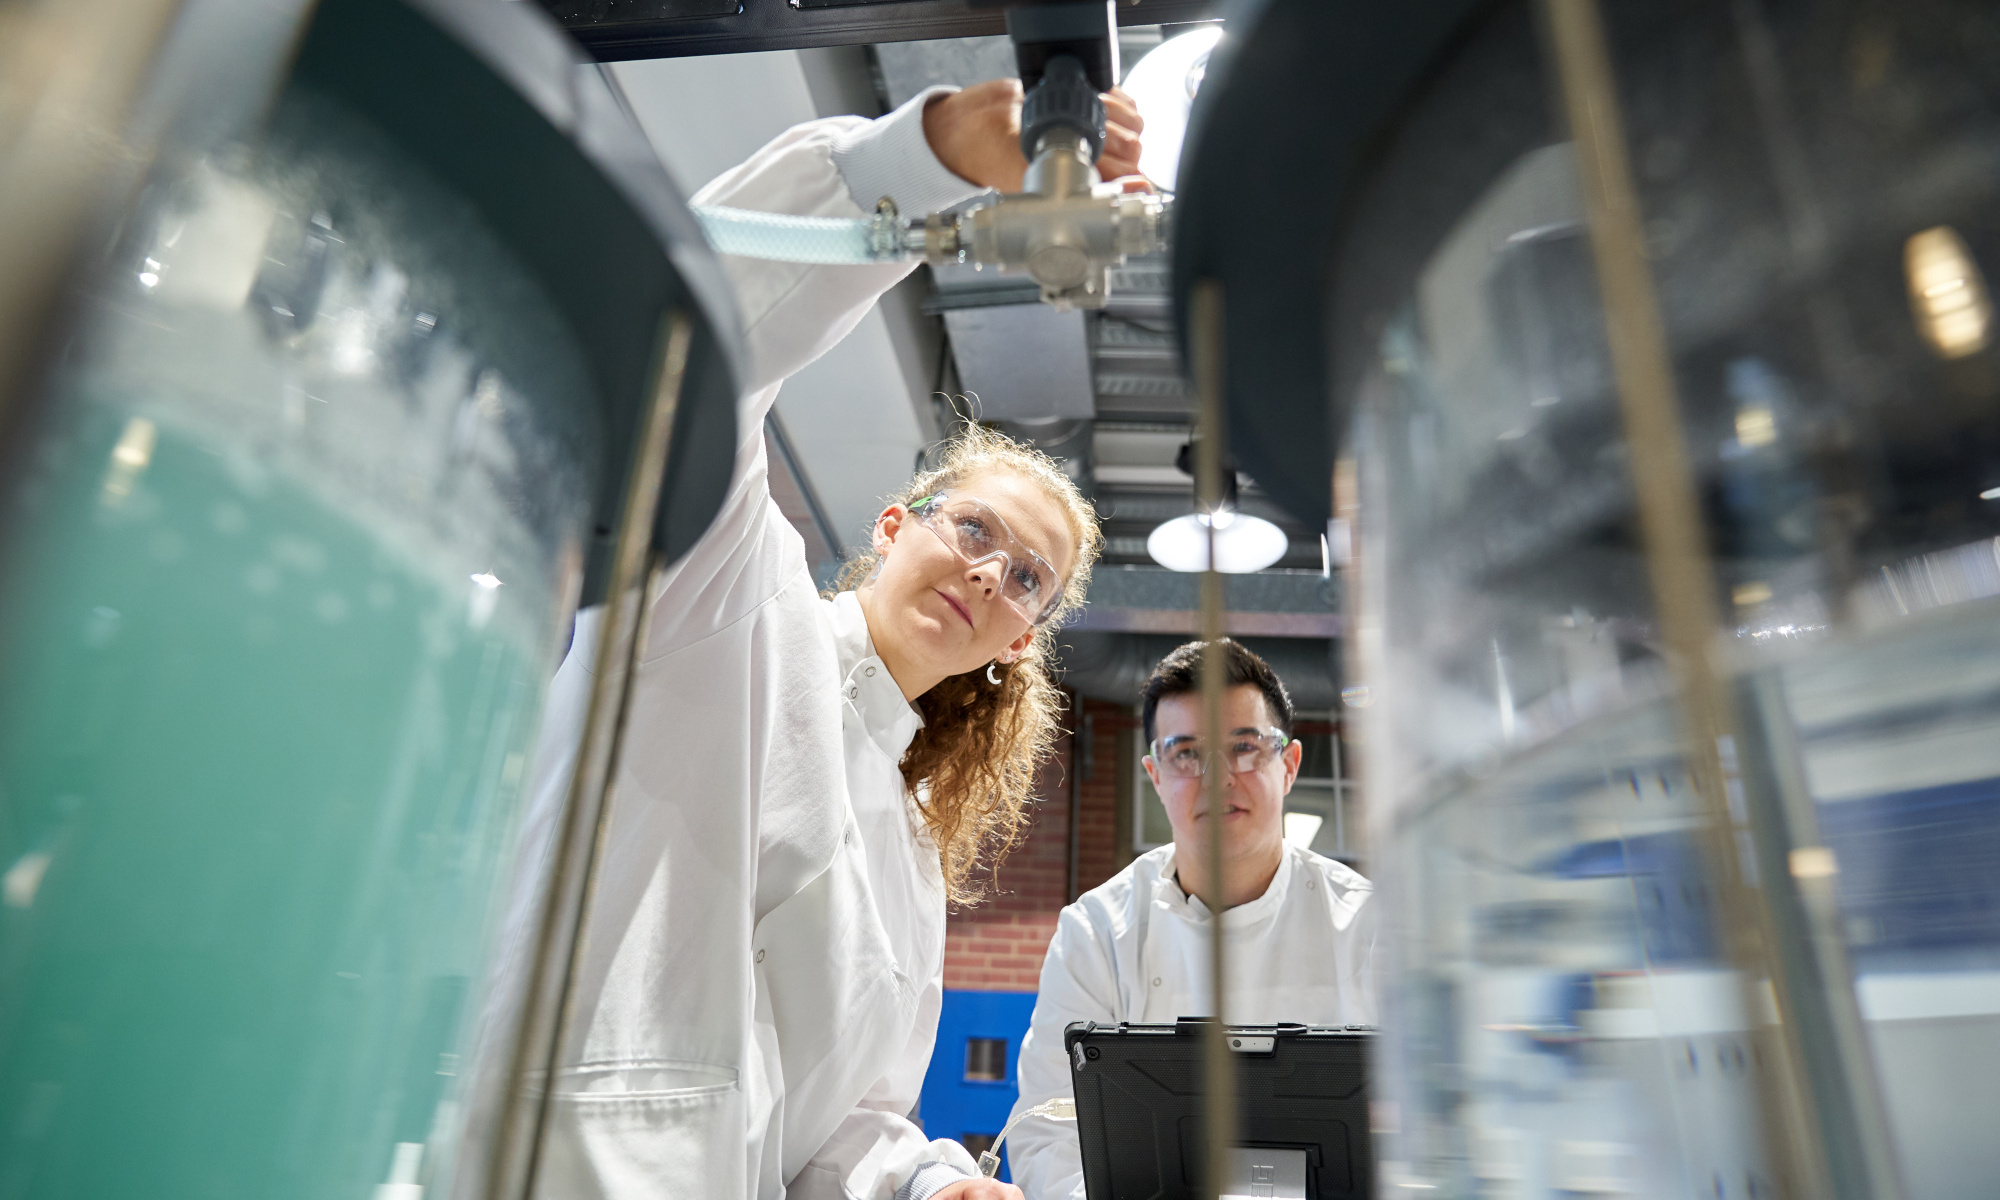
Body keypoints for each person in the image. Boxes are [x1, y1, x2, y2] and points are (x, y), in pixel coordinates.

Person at [501, 79, 1141, 1200]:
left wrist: (927, 1184)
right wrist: (921, 159)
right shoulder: (726, 604)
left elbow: (845, 1122)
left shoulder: (911, 857)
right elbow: (689, 353)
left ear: (1016, 640)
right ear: (893, 529)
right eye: (972, 528)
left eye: (1025, 579)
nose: (989, 571)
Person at [1002, 640, 1378, 1200]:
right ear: (1155, 774)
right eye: (1186, 753)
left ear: (1289, 764)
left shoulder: (1370, 927)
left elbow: (1434, 1119)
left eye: (1245, 747)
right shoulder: (1097, 933)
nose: (1217, 777)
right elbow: (1047, 1129)